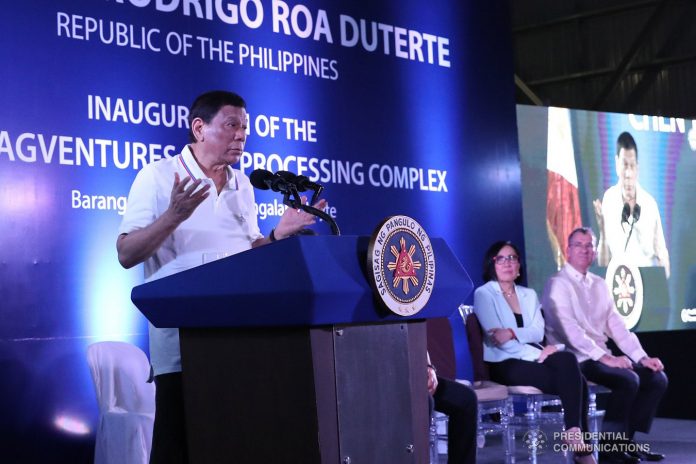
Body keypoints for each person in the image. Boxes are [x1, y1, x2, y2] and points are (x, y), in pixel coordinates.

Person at [116, 90, 327, 464]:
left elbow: (246, 255)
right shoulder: (158, 176)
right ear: (199, 127)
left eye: (245, 127)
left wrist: (279, 234)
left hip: (237, 339)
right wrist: (173, 216)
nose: (241, 135)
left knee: (232, 440)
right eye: (231, 125)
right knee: (176, 446)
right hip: (181, 343)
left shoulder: (243, 186)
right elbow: (126, 253)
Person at [543, 227, 668, 464]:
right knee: (627, 380)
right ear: (568, 250)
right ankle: (611, 451)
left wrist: (642, 358)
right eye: (579, 245)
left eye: (589, 245)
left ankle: (625, 442)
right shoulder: (557, 284)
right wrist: (606, 358)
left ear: (595, 251)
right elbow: (570, 333)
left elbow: (618, 327)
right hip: (574, 359)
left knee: (656, 378)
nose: (585, 249)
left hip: (600, 356)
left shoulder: (599, 284)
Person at [473, 241, 595, 464]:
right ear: (492, 264)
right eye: (501, 258)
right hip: (503, 364)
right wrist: (538, 354)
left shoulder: (528, 294)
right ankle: (582, 452)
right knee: (578, 381)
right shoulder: (484, 294)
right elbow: (498, 341)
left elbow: (537, 332)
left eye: (513, 258)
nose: (508, 263)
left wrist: (511, 331)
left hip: (532, 357)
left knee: (567, 361)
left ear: (519, 265)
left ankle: (573, 432)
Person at [592, 131, 670, 277]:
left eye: (632, 166)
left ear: (638, 168)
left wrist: (661, 282)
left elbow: (662, 257)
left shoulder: (649, 204)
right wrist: (602, 231)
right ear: (616, 164)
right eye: (624, 165)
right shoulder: (609, 200)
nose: (628, 173)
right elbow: (602, 264)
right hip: (618, 288)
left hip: (646, 285)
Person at [427, 352, 477, 464]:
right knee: (425, 400)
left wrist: (429, 368)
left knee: (465, 399)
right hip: (388, 376)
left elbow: (418, 341)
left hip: (415, 371)